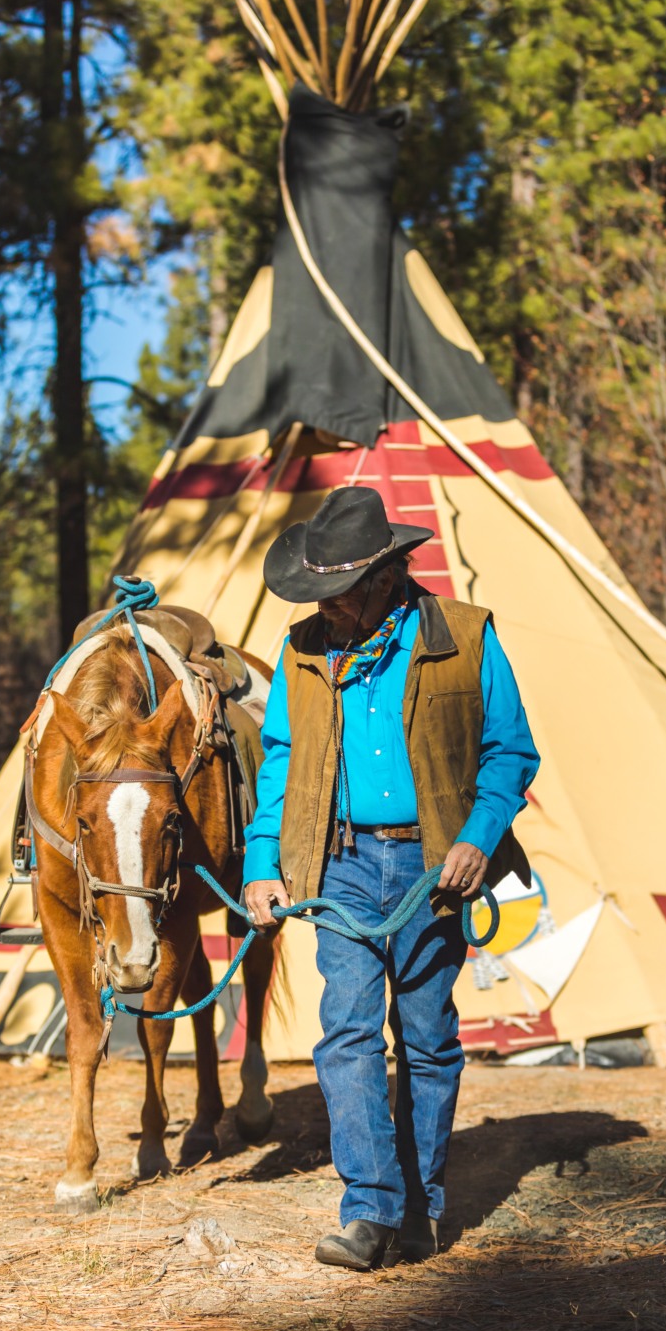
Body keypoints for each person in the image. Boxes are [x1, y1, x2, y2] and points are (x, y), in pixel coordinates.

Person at [243, 485, 539, 1270]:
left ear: (385, 576)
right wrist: (260, 865)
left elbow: (511, 754)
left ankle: (423, 1208)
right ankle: (369, 1209)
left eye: (339, 595)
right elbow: (281, 762)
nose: (329, 610)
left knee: (428, 1036)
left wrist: (479, 838)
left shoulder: (465, 638)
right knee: (345, 1030)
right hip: (337, 861)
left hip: (429, 865)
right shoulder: (303, 648)